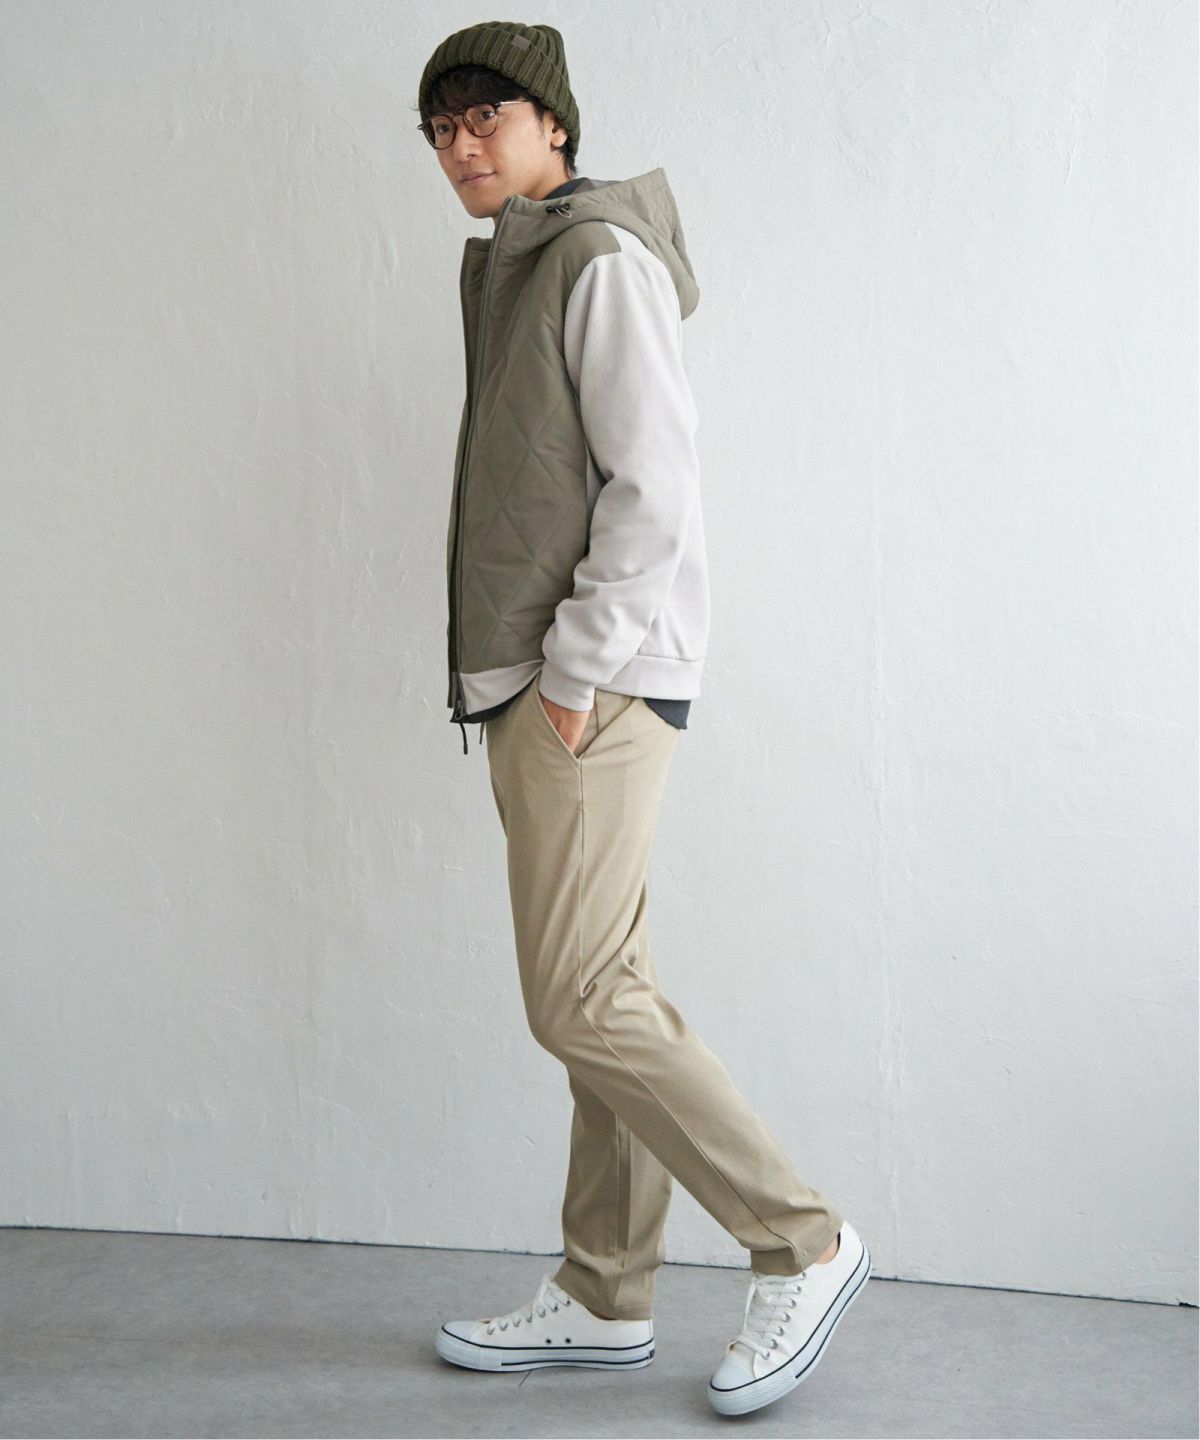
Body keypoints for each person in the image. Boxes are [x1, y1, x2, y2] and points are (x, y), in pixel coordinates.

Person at [417, 21, 870, 1417]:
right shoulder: (517, 264)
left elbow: (654, 487)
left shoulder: (597, 259)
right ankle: (607, 1290)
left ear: (552, 124)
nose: (460, 146)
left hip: (590, 683)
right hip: (556, 680)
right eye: (439, 130)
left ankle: (801, 1239)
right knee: (604, 991)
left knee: (580, 999)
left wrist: (570, 675)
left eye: (485, 117)